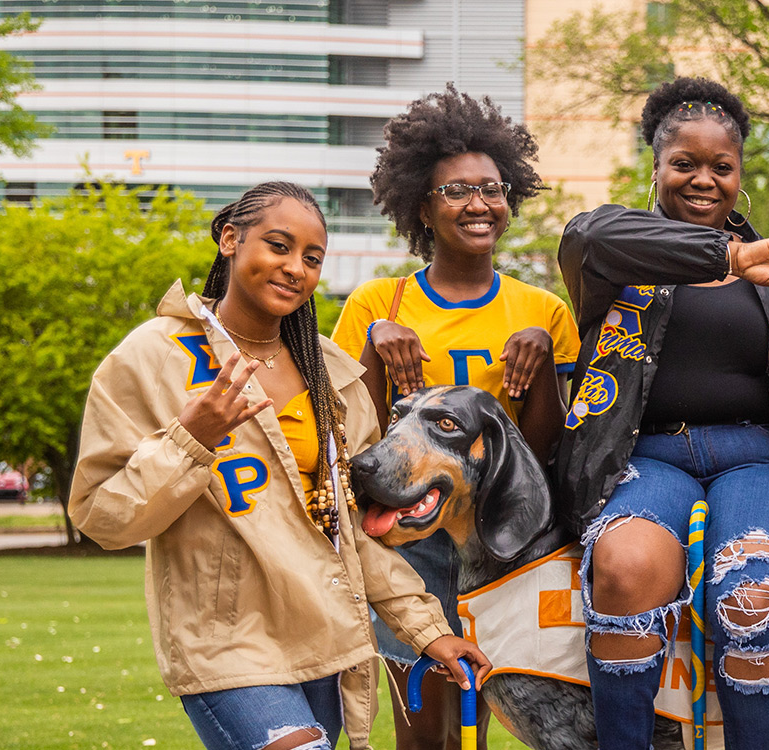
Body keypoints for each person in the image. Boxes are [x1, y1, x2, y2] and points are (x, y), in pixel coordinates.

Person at [70, 182, 489, 750]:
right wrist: (190, 439)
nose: (295, 268)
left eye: (312, 258)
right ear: (229, 240)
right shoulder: (153, 356)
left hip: (325, 636)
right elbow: (101, 515)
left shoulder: (333, 377)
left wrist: (428, 631)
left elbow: (357, 532)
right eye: (278, 246)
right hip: (226, 642)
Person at [558, 76, 769, 750]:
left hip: (754, 458)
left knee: (747, 597)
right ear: (656, 167)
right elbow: (586, 232)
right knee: (624, 567)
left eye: (721, 166)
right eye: (683, 163)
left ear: (739, 175)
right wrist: (732, 254)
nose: (703, 180)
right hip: (647, 457)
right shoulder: (615, 254)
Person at [330, 89, 579, 749]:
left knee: (512, 710)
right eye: (456, 191)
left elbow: (545, 453)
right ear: (422, 206)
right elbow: (351, 440)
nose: (478, 203)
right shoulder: (378, 303)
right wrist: (375, 350)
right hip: (411, 545)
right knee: (425, 735)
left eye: (492, 188)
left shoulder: (544, 310)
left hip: (507, 545)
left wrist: (548, 362)